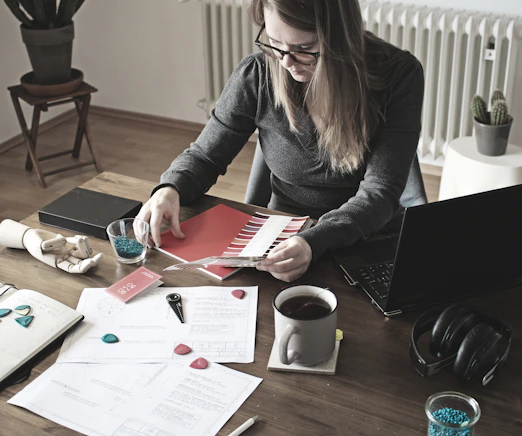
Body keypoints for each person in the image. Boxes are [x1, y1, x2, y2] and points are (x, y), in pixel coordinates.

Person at [136, 0, 424, 282]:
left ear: (340, 37)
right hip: (281, 238)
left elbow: (380, 192)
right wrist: (169, 189)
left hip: (368, 240)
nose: (286, 61)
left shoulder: (398, 76)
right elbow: (205, 156)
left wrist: (314, 241)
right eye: (274, 43)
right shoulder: (258, 73)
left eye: (304, 49)